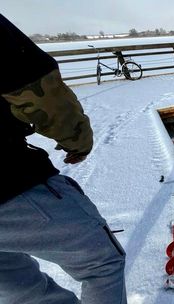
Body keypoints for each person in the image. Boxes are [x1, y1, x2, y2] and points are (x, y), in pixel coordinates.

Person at [0, 14, 126, 304]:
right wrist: (78, 140)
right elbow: (38, 90)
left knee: (21, 291)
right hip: (10, 184)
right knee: (101, 264)